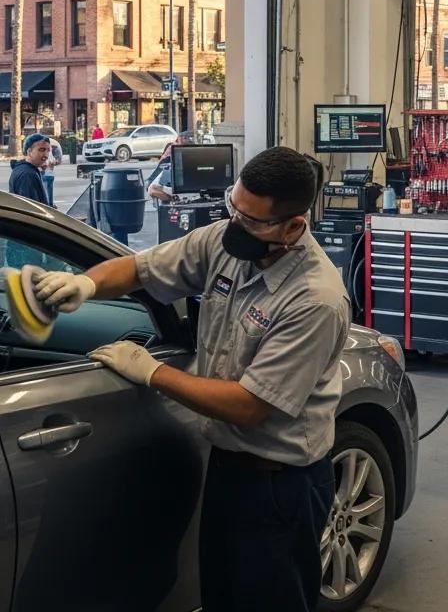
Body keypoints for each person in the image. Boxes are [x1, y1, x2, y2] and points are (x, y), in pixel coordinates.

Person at [33, 146, 350, 612]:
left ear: (292, 227)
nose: (234, 224)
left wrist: (152, 371)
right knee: (221, 598)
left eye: (251, 220)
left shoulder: (315, 301)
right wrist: (87, 284)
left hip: (282, 486)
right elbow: (141, 268)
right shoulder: (223, 240)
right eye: (232, 207)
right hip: (228, 468)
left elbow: (249, 406)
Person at [8, 133, 51, 206]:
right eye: (42, 150)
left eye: (48, 150)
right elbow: (31, 208)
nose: (46, 155)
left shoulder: (22, 169)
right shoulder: (28, 174)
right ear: (29, 151)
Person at [43, 135, 62, 206]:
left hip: (45, 173)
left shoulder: (38, 146)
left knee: (44, 189)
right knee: (49, 189)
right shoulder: (55, 145)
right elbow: (59, 160)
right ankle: (50, 204)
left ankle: (48, 204)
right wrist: (54, 163)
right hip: (49, 173)